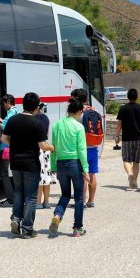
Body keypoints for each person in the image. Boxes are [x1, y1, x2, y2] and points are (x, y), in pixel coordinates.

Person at [1, 92, 54, 238]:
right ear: (36, 107)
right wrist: (52, 148)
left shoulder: (13, 120)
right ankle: (27, 228)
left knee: (18, 192)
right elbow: (43, 146)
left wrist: (16, 145)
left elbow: (4, 138)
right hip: (31, 164)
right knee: (30, 197)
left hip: (15, 163)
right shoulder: (37, 123)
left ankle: (16, 219)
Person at [49, 98, 89, 237]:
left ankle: (58, 215)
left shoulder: (57, 125)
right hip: (75, 163)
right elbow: (82, 150)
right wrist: (86, 169)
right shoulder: (79, 127)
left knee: (65, 194)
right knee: (78, 197)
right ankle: (77, 228)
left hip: (60, 163)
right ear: (79, 111)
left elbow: (53, 147)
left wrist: (53, 166)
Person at [115, 88, 140, 190]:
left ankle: (130, 175)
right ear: (137, 97)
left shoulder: (123, 109)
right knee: (136, 161)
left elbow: (119, 124)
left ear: (128, 97)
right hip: (139, 138)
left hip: (126, 139)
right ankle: (134, 181)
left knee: (126, 160)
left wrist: (116, 136)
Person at [71, 88, 101, 207]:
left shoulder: (78, 113)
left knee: (82, 176)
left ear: (77, 99)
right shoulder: (94, 111)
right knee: (92, 174)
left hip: (82, 149)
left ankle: (81, 202)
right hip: (94, 147)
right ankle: (91, 201)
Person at [0, 94, 18, 206]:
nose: (3, 106)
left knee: (4, 172)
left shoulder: (10, 112)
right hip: (13, 146)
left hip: (5, 147)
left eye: (4, 104)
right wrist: (1, 120)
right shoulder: (16, 111)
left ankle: (10, 199)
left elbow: (5, 127)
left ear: (8, 102)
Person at [35, 102, 56, 209]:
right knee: (46, 177)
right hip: (46, 148)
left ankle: (38, 203)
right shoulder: (46, 118)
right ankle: (46, 202)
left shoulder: (33, 118)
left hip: (37, 148)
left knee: (39, 177)